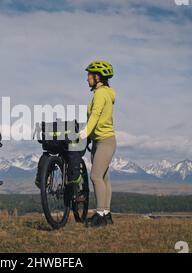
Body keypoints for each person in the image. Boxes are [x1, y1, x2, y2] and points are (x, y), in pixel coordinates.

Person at [79, 60, 117, 227]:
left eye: (89, 75)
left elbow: (95, 115)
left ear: (98, 77)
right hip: (101, 140)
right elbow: (96, 118)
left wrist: (84, 132)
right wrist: (90, 136)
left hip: (105, 141)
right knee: (104, 178)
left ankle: (100, 215)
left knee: (95, 176)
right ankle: (107, 214)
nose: (87, 79)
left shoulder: (100, 94)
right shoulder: (105, 93)